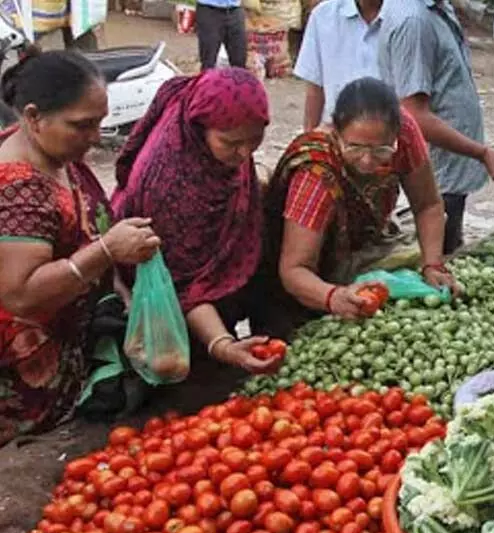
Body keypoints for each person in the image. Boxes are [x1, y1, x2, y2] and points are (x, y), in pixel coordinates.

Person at [0, 50, 160, 446]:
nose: (95, 137)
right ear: (34, 117)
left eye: (99, 123)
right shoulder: (19, 188)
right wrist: (106, 251)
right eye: (82, 125)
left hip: (65, 350)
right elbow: (20, 294)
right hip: (21, 373)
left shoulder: (55, 156)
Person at [112, 68, 282, 376]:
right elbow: (182, 284)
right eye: (231, 142)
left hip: (203, 283)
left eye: (255, 139)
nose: (244, 153)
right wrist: (221, 343)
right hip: (171, 300)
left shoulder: (209, 138)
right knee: (184, 373)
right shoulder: (172, 189)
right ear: (198, 128)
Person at [264, 77, 461, 321]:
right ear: (336, 133)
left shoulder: (405, 134)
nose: (367, 160)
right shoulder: (316, 172)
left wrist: (432, 264)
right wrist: (333, 297)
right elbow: (294, 269)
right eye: (355, 147)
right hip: (297, 285)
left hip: (357, 256)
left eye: (381, 151)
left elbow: (428, 205)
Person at [379, 0, 494, 254]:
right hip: (434, 176)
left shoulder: (439, 9)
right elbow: (413, 115)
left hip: (448, 172)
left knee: (447, 250)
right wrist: (482, 153)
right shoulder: (414, 21)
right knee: (435, 259)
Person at [295, 0, 385, 132]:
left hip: (388, 138)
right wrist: (310, 138)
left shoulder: (408, 19)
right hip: (335, 134)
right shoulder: (323, 16)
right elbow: (315, 89)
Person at [195, 0, 247, 70]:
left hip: (235, 9)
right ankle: (208, 80)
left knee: (239, 60)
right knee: (208, 61)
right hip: (209, 10)